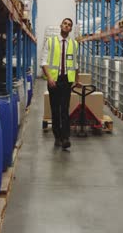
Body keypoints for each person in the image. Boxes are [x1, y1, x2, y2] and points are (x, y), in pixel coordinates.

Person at [41, 18, 80, 149]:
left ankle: (65, 138)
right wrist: (50, 78)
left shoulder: (74, 44)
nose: (67, 26)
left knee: (64, 109)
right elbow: (44, 61)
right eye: (65, 24)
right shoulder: (50, 42)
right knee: (55, 109)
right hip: (53, 80)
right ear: (61, 25)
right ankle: (57, 136)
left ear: (70, 29)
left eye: (69, 25)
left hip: (66, 81)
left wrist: (76, 80)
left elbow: (75, 64)